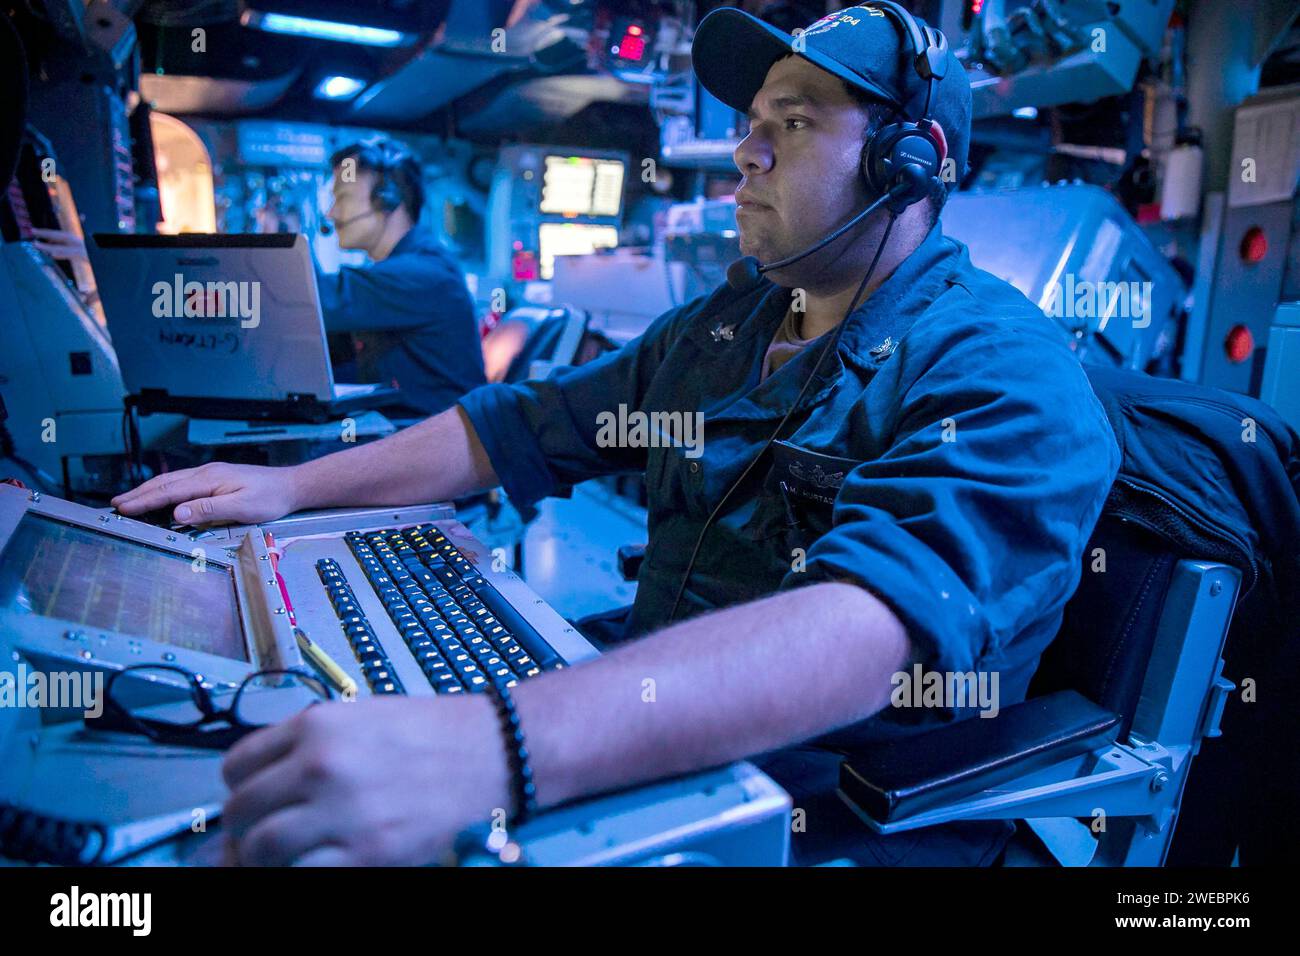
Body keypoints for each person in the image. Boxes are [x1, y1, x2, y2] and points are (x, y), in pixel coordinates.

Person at [112, 5, 1119, 866]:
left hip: (826, 810)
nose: (746, 151)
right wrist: (293, 488)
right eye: (752, 121)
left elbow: (863, 627)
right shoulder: (728, 328)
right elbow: (522, 426)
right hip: (647, 737)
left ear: (911, 164)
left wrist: (492, 745)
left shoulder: (1000, 366)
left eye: (796, 123)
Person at [317, 138, 485, 416]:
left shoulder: (423, 274)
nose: (331, 214)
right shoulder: (407, 268)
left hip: (433, 443)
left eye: (342, 198)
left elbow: (320, 300)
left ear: (388, 199)